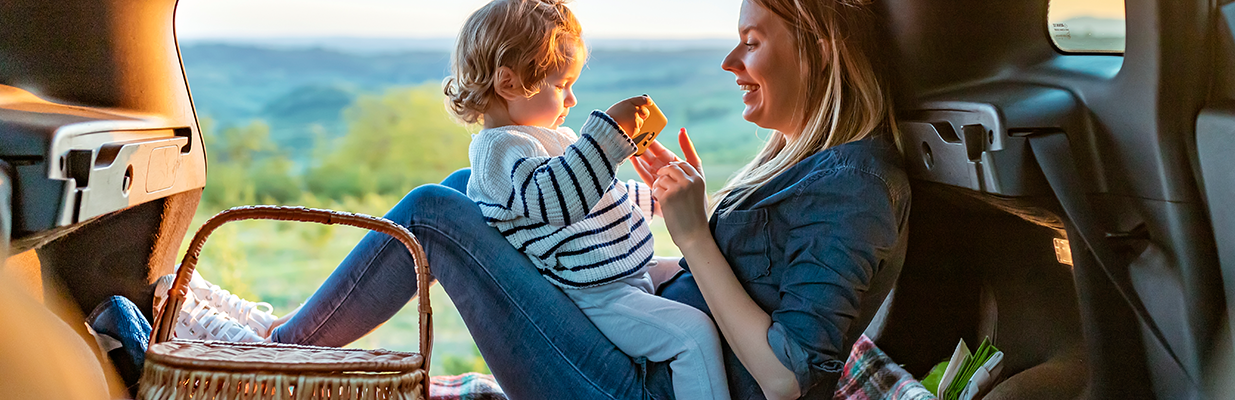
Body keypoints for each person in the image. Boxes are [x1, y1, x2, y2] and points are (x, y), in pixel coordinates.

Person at [158, 0, 907, 398]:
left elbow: (786, 377)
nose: (728, 60)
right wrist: (675, 218)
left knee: (432, 209)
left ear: (819, 44)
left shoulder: (854, 185)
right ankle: (286, 342)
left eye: (751, 38)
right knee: (464, 194)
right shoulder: (815, 166)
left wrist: (696, 237)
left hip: (647, 383)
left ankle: (273, 357)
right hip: (633, 342)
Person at [445, 1, 728, 398]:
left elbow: (599, 200)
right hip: (599, 294)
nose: (572, 99)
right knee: (693, 336)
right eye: (562, 86)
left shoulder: (549, 139)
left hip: (624, 270)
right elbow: (557, 200)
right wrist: (606, 138)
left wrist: (658, 198)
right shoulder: (498, 154)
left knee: (706, 273)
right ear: (509, 84)